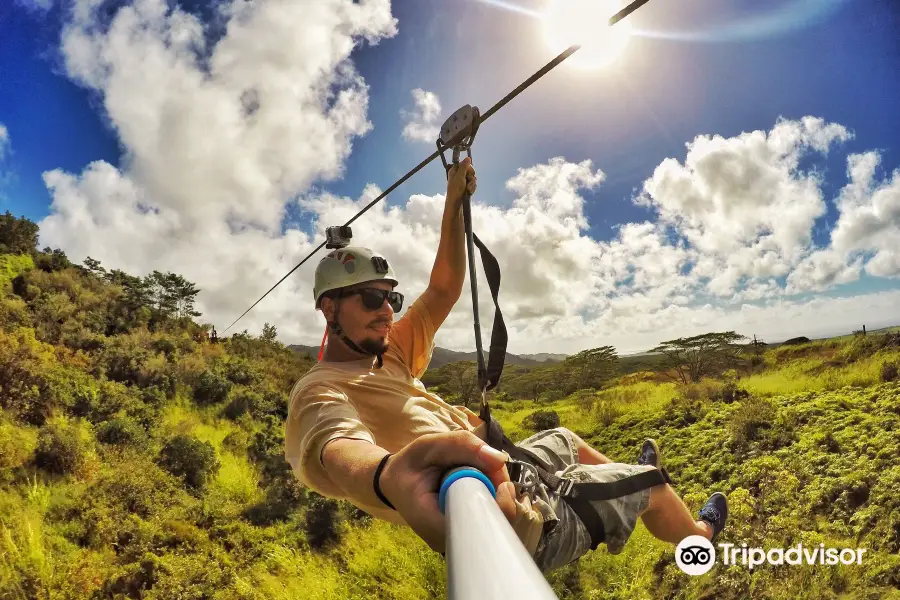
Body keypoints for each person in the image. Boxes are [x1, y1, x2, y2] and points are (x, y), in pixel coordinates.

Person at [284, 157, 728, 573]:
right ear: (329, 308)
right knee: (649, 483)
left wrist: (453, 203)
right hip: (520, 515)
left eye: (391, 298)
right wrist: (386, 476)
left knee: (565, 439)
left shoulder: (387, 350)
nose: (387, 311)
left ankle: (613, 477)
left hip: (508, 461)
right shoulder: (320, 389)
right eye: (371, 298)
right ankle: (700, 537)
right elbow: (340, 446)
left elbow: (442, 290)